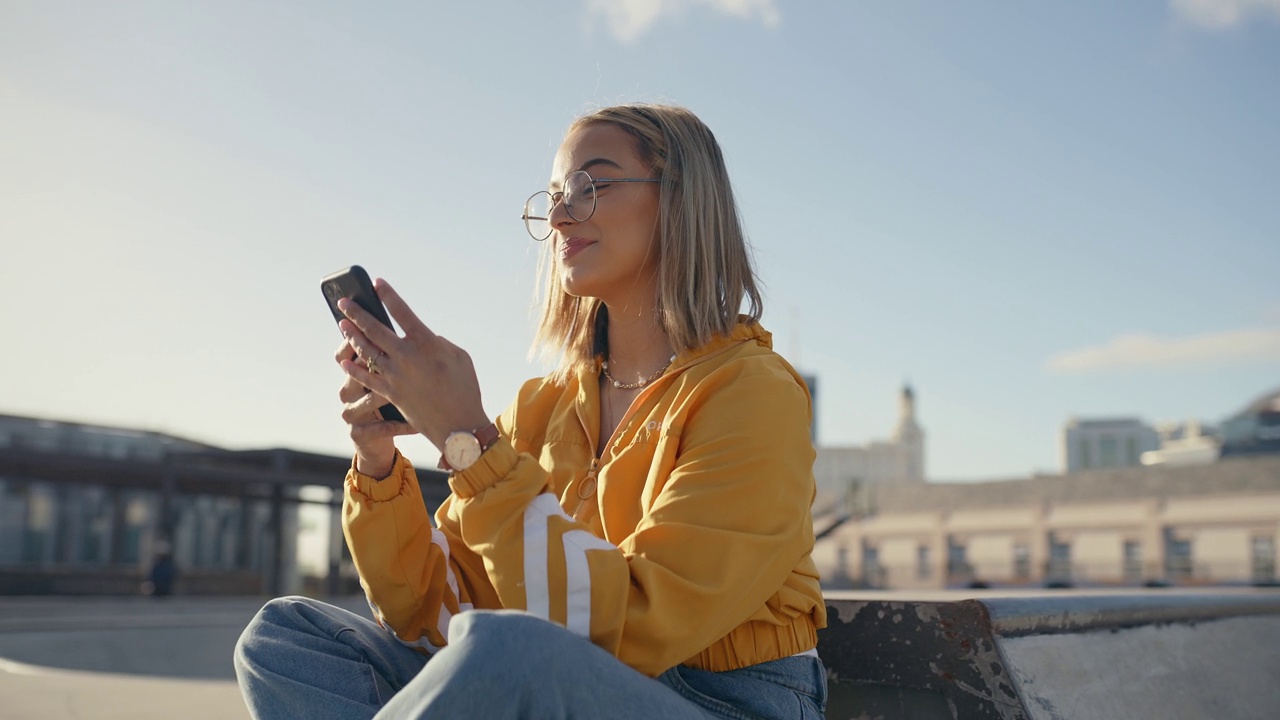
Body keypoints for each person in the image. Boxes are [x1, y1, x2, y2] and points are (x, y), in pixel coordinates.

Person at [234, 103, 828, 719]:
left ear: (680, 201)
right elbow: (436, 612)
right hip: (559, 679)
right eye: (553, 196)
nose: (561, 213)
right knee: (285, 640)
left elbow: (634, 628)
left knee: (511, 654)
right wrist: (379, 463)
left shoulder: (753, 393)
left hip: (722, 703)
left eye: (591, 185)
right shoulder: (542, 406)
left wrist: (468, 440)